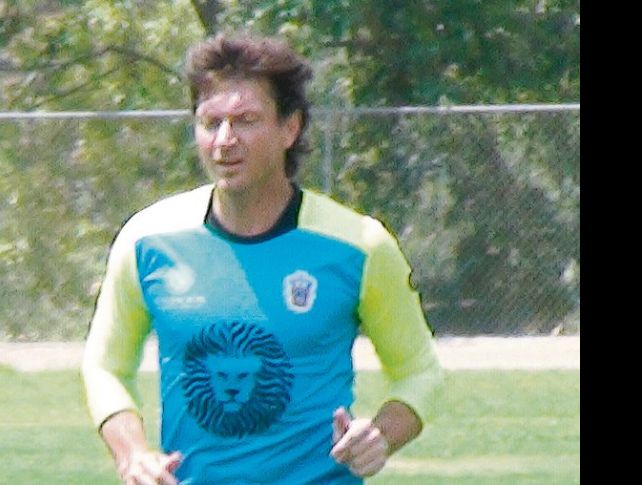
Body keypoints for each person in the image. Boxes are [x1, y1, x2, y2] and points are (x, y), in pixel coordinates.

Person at [81, 33, 444, 485]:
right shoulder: (148, 240)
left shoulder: (359, 245)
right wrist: (132, 453)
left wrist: (383, 435)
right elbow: (104, 366)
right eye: (210, 122)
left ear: (290, 128)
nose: (225, 141)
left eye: (246, 120)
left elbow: (420, 372)